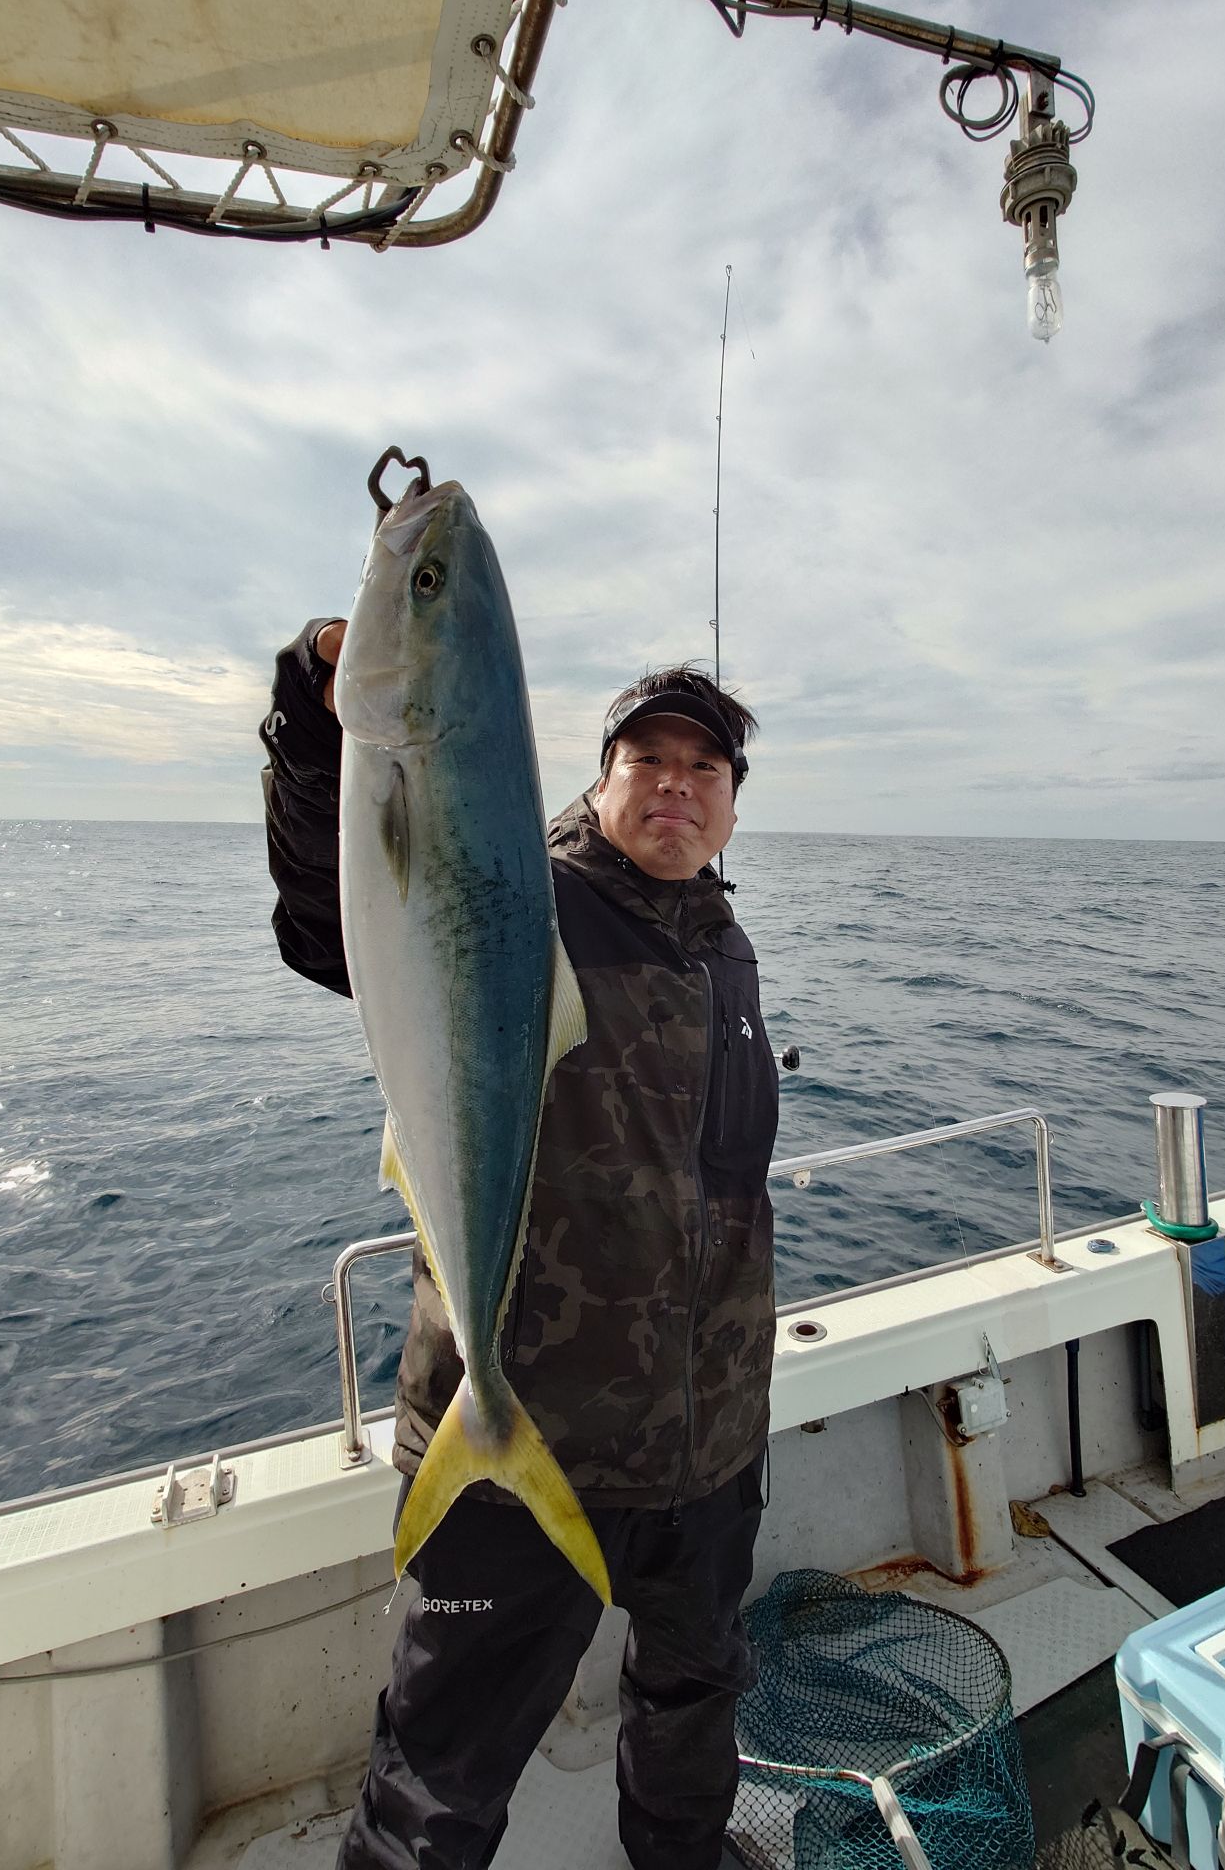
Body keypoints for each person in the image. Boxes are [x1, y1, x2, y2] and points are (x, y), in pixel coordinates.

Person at [259, 622, 779, 1870]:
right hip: (519, 1441)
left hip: (706, 1445)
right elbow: (337, 919)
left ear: (731, 804)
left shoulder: (721, 938)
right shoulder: (517, 895)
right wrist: (320, 721)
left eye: (703, 768)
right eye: (647, 758)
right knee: (441, 1770)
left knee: (695, 1698)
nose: (674, 785)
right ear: (598, 778)